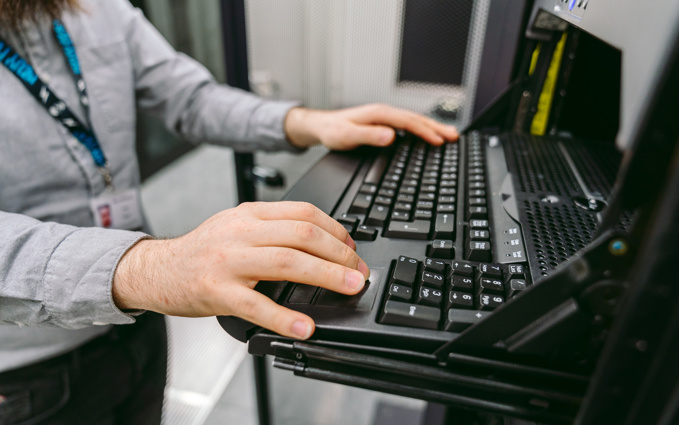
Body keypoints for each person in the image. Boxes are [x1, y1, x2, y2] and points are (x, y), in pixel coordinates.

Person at [0, 0, 459, 423]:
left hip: (136, 322)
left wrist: (306, 123)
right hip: (30, 371)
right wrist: (146, 267)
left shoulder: (100, 9)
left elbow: (192, 99)